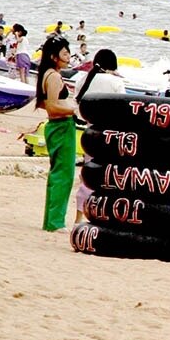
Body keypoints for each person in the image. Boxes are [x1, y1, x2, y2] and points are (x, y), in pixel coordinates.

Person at [73, 49, 126, 223]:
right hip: (110, 136)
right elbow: (123, 110)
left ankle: (78, 218)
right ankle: (102, 216)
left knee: (88, 176)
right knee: (108, 177)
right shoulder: (115, 82)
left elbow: (77, 106)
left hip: (90, 134)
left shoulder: (83, 79)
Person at [35, 36, 77, 232]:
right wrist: (73, 110)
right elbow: (51, 106)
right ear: (54, 57)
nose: (68, 56)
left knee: (58, 174)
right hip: (61, 126)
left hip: (58, 126)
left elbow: (45, 103)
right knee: (64, 175)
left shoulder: (48, 74)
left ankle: (51, 220)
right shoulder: (53, 76)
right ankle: (55, 222)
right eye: (64, 53)